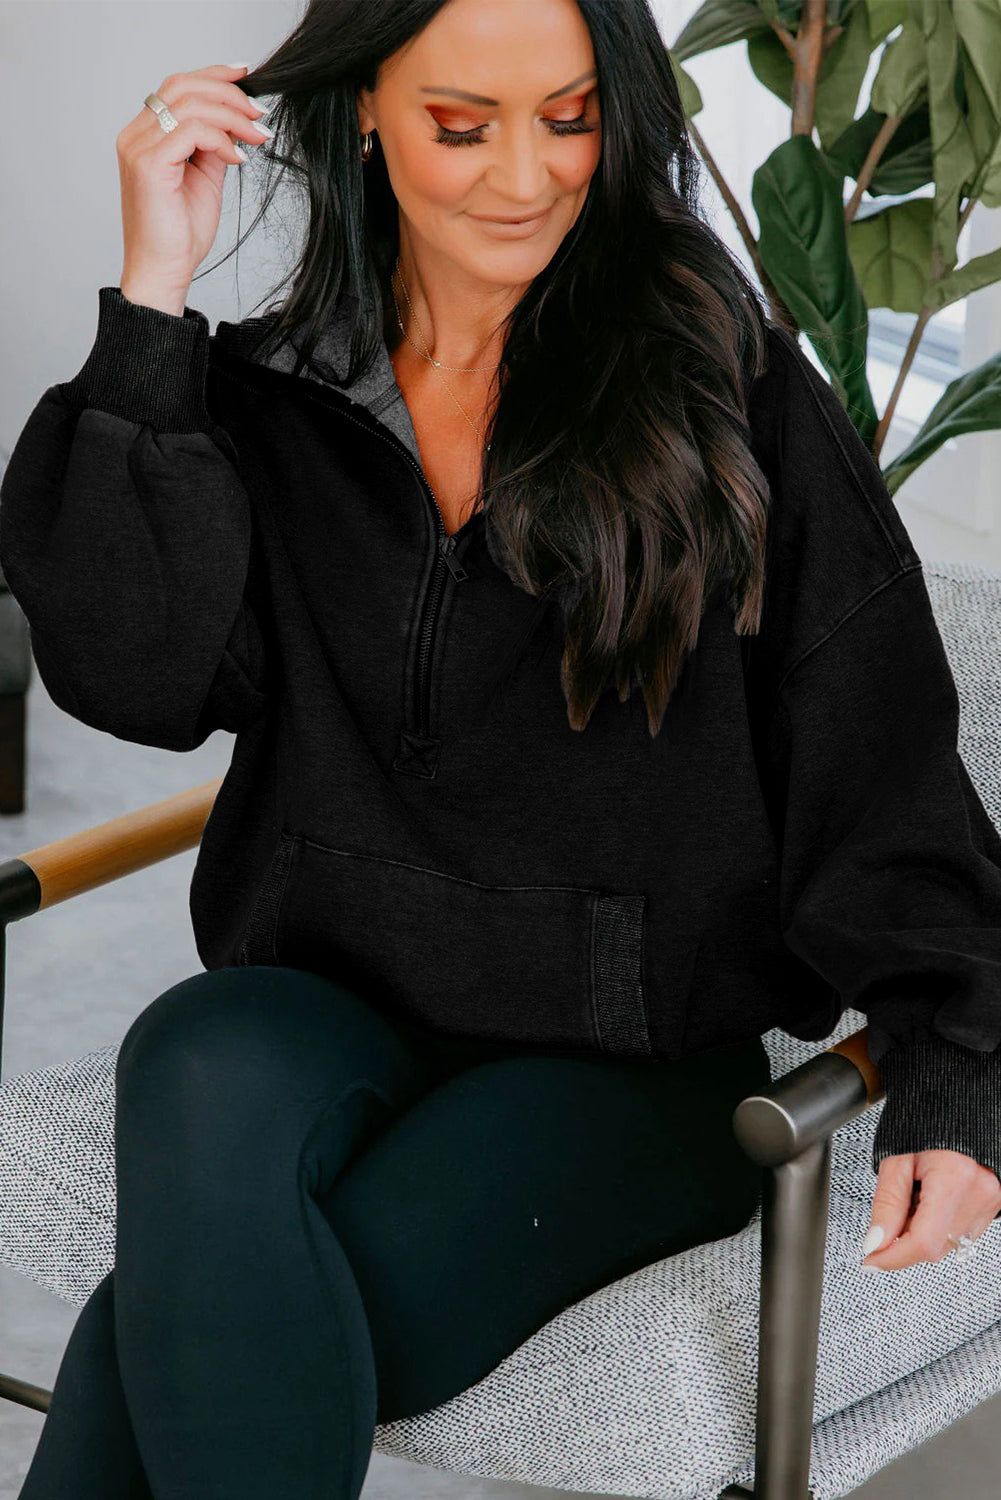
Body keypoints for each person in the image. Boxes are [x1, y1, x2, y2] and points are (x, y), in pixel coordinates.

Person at [2, 0, 1001, 1494]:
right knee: (196, 1050)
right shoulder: (278, 398)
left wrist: (956, 1065)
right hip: (331, 995)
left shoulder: (725, 400)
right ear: (362, 117)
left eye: (572, 116)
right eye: (461, 125)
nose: (525, 174)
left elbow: (877, 746)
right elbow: (132, 677)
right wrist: (152, 301)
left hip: (625, 1060)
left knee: (190, 1322)